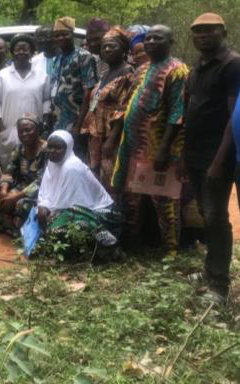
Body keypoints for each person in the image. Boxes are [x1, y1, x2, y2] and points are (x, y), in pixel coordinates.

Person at [111, 25, 189, 258]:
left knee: (164, 199)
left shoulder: (178, 70)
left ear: (171, 41)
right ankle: (133, 243)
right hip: (133, 145)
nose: (151, 41)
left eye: (158, 37)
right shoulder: (143, 69)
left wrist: (165, 148)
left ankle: (171, 250)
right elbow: (128, 104)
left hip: (158, 147)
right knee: (131, 195)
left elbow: (178, 113)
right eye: (149, 38)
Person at [184, 13, 240, 306]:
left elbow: (235, 117)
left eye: (209, 30)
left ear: (223, 32)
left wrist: (220, 160)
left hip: (217, 154)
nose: (202, 35)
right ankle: (209, 270)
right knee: (207, 215)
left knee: (217, 216)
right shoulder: (198, 68)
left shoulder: (232, 65)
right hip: (194, 153)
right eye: (197, 32)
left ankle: (219, 285)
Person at [36, 130, 120, 259]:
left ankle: (105, 248)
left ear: (68, 149)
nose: (52, 151)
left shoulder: (71, 167)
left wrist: (50, 215)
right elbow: (46, 191)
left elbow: (76, 206)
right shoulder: (53, 163)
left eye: (58, 148)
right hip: (72, 209)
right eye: (50, 147)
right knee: (33, 210)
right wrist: (43, 206)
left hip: (100, 214)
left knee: (60, 225)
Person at [79, 27, 134, 191]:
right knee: (96, 179)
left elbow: (124, 109)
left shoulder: (127, 74)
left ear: (123, 49)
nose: (107, 49)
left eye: (112, 46)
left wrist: (111, 140)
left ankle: (115, 214)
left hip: (112, 137)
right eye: (104, 47)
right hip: (96, 134)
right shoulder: (106, 73)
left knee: (111, 180)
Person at [0, 33, 50, 167]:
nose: (21, 52)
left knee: (33, 167)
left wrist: (44, 124)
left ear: (32, 52)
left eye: (25, 49)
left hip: (34, 132)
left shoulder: (42, 75)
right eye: (18, 49)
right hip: (8, 131)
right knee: (10, 168)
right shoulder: (2, 76)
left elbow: (46, 101)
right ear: (12, 52)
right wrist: (1, 130)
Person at [49, 16, 98, 154]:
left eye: (65, 34)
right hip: (58, 118)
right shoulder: (57, 58)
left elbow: (89, 92)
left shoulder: (84, 56)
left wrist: (79, 124)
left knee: (75, 156)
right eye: (57, 35)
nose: (60, 38)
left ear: (72, 34)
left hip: (75, 119)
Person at [0, 113, 48, 235]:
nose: (24, 134)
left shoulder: (46, 150)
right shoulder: (19, 148)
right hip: (20, 186)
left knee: (21, 204)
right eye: (20, 132)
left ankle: (20, 231)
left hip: (41, 191)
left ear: (38, 130)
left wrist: (15, 197)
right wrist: (4, 191)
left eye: (28, 130)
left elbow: (41, 182)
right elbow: (8, 171)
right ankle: (9, 227)